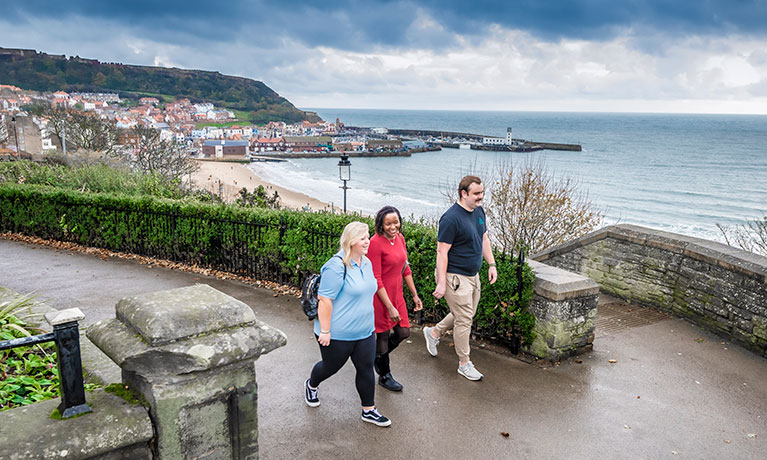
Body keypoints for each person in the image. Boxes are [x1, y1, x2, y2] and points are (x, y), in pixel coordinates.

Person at [304, 221, 391, 427]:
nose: (367, 241)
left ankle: (368, 410)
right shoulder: (336, 266)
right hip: (337, 333)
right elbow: (325, 300)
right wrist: (325, 331)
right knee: (330, 367)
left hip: (365, 331)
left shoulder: (367, 263)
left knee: (366, 369)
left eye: (367, 237)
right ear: (351, 241)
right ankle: (311, 385)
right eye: (362, 238)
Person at [423, 175, 497, 381]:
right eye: (476, 194)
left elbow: (484, 238)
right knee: (464, 320)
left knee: (466, 314)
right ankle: (464, 363)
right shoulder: (450, 218)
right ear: (464, 193)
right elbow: (441, 252)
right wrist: (441, 282)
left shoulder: (479, 212)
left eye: (482, 192)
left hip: (473, 275)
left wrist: (492, 264)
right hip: (455, 276)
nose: (481, 197)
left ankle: (434, 333)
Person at [367, 206, 423, 391]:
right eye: (388, 223)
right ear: (381, 224)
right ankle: (384, 375)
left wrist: (414, 294)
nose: (393, 226)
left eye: (396, 222)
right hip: (381, 296)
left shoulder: (400, 238)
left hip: (397, 293)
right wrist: (389, 306)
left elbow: (405, 269)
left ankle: (376, 357)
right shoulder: (375, 243)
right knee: (382, 335)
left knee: (403, 333)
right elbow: (376, 277)